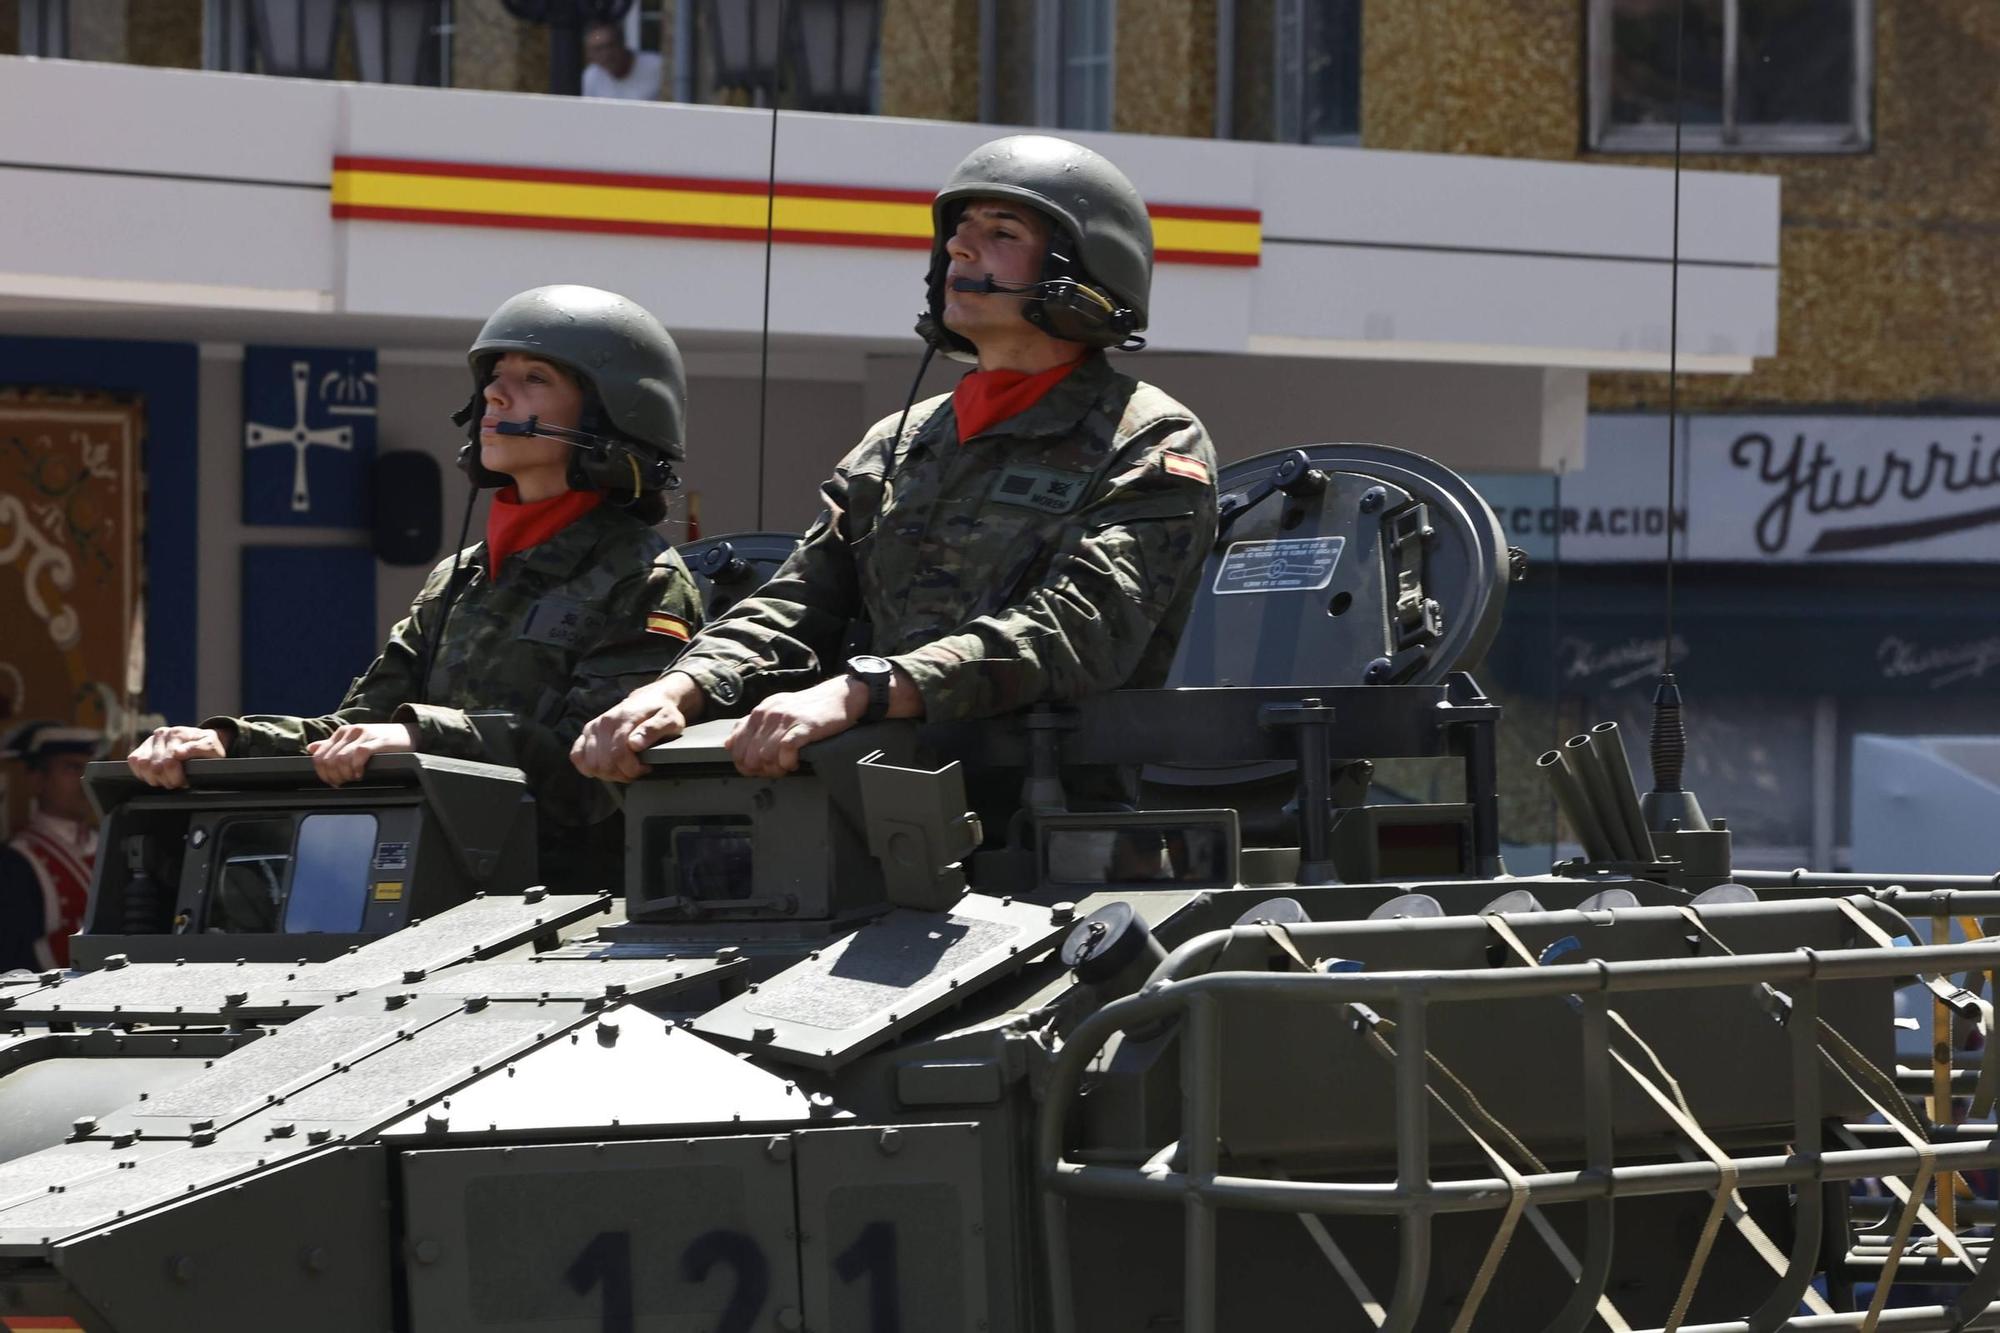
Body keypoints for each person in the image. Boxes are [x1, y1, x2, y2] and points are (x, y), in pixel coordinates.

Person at [572, 134, 1218, 784]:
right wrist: (678, 688)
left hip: (1056, 833)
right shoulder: (898, 441)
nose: (960, 248)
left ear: (1078, 270)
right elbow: (801, 602)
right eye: (958, 231)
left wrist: (867, 689)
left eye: (1001, 231)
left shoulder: (1150, 438)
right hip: (871, 809)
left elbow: (1078, 631)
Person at [128, 286, 704, 892]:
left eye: (534, 377)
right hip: (431, 898)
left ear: (606, 413)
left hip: (564, 918)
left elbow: (593, 774)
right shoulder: (460, 575)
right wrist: (228, 742)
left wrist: (423, 735)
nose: (495, 394)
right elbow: (358, 730)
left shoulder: (643, 576)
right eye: (494, 376)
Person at [0, 721, 101, 972]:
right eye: (71, 768)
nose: (83, 780)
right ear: (37, 780)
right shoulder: (15, 861)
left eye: (88, 769)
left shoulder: (107, 845)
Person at [582, 22, 663, 101]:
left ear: (622, 43)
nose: (606, 54)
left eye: (610, 45)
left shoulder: (657, 66)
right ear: (589, 54)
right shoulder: (591, 77)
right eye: (598, 49)